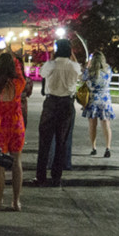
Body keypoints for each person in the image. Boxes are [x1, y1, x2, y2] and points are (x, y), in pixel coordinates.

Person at [32, 39, 81, 187]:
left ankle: (40, 176)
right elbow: (79, 71)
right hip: (67, 104)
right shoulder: (74, 66)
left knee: (45, 142)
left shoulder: (50, 65)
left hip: (51, 104)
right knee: (62, 142)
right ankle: (56, 177)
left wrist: (52, 58)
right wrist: (72, 57)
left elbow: (42, 74)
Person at [0, 52, 26, 211]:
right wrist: (13, 60)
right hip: (16, 124)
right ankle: (16, 201)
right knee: (17, 162)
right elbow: (19, 68)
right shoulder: (18, 83)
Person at [81, 51, 115, 157]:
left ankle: (94, 147)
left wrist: (87, 66)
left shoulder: (90, 71)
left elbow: (83, 78)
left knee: (92, 125)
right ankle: (108, 148)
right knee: (106, 125)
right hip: (105, 100)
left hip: (93, 99)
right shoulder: (108, 69)